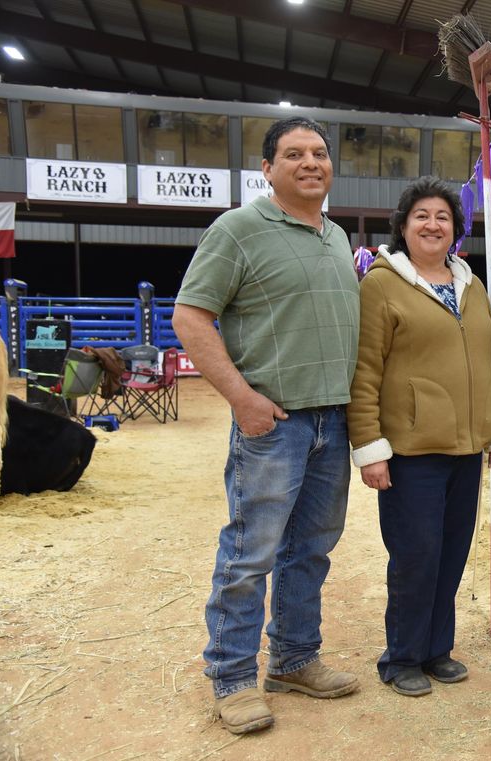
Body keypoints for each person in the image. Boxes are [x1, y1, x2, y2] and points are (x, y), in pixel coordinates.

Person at [172, 116, 361, 735]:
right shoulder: (238, 230)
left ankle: (294, 657)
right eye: (294, 154)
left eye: (319, 153)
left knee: (311, 549)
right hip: (272, 423)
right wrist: (241, 398)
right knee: (250, 552)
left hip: (332, 422)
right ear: (267, 169)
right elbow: (191, 316)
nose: (310, 163)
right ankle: (230, 678)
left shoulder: (335, 235)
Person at [347, 176, 491, 697]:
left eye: (442, 216)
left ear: (456, 230)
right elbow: (364, 369)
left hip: (467, 450)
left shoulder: (471, 284)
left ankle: (437, 649)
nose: (432, 224)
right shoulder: (381, 284)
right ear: (402, 225)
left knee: (451, 553)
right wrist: (369, 448)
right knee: (416, 554)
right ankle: (401, 657)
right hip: (411, 452)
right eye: (421, 215)